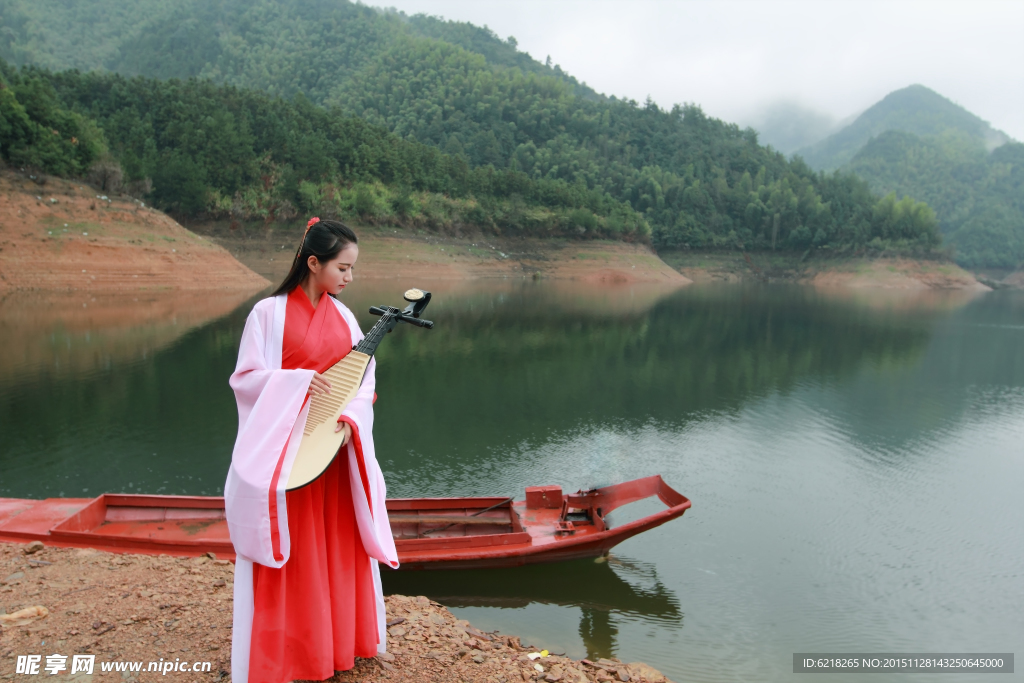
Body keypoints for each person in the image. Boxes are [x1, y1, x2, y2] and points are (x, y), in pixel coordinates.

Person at [224, 218, 398, 683]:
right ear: (313, 261)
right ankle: (288, 655)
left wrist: (350, 419)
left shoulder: (343, 316)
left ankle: (338, 644)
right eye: (342, 267)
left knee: (337, 544)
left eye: (353, 269)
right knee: (295, 546)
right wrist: (297, 382)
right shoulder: (267, 313)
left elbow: (364, 377)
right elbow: (245, 380)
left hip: (334, 446)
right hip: (288, 453)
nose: (348, 278)